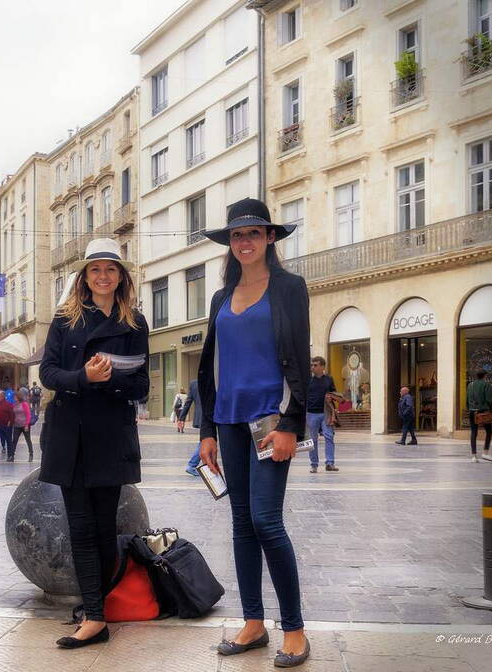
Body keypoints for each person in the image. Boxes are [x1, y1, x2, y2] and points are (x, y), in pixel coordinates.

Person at [196, 198, 310, 666]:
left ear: (269, 238)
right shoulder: (220, 297)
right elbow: (211, 367)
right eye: (237, 235)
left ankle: (296, 629)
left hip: (269, 419)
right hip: (227, 421)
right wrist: (206, 429)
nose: (245, 242)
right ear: (230, 243)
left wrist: (292, 425)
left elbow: (300, 362)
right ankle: (253, 622)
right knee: (241, 524)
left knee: (266, 521)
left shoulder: (289, 288)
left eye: (254, 234)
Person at [39, 237, 149, 649]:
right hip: (69, 435)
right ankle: (95, 615)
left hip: (110, 435)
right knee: (81, 527)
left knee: (104, 529)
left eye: (111, 269)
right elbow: (48, 374)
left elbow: (141, 384)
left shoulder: (135, 323)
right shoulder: (65, 319)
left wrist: (109, 378)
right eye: (95, 269)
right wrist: (85, 378)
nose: (103, 276)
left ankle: (97, 610)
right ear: (84, 277)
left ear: (121, 277)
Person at [306, 356, 338, 473]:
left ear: (323, 367)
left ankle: (330, 463)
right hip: (311, 413)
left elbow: (334, 393)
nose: (312, 367)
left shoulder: (329, 379)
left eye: (315, 365)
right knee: (312, 439)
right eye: (312, 365)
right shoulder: (308, 380)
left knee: (329, 436)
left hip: (326, 413)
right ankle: (314, 464)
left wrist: (332, 398)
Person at [467, 370, 492, 463]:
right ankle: (485, 453)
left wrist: (470, 408)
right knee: (489, 431)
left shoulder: (470, 385)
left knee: (473, 433)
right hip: (483, 412)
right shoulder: (486, 385)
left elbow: (467, 400)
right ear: (484, 376)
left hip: (472, 412)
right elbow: (489, 400)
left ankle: (474, 456)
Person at [178, 379, 203, 476]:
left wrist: (181, 418)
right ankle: (192, 465)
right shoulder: (214, 379)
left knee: (205, 441)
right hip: (213, 416)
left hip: (201, 417)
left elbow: (188, 402)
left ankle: (198, 465)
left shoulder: (194, 383)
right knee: (204, 441)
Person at [12, 387, 34, 463]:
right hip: (17, 425)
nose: (14, 398)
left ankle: (31, 454)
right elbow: (13, 414)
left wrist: (27, 425)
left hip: (25, 425)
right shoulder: (14, 404)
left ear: (18, 397)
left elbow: (28, 415)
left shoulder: (24, 404)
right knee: (14, 440)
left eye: (15, 397)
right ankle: (12, 455)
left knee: (28, 440)